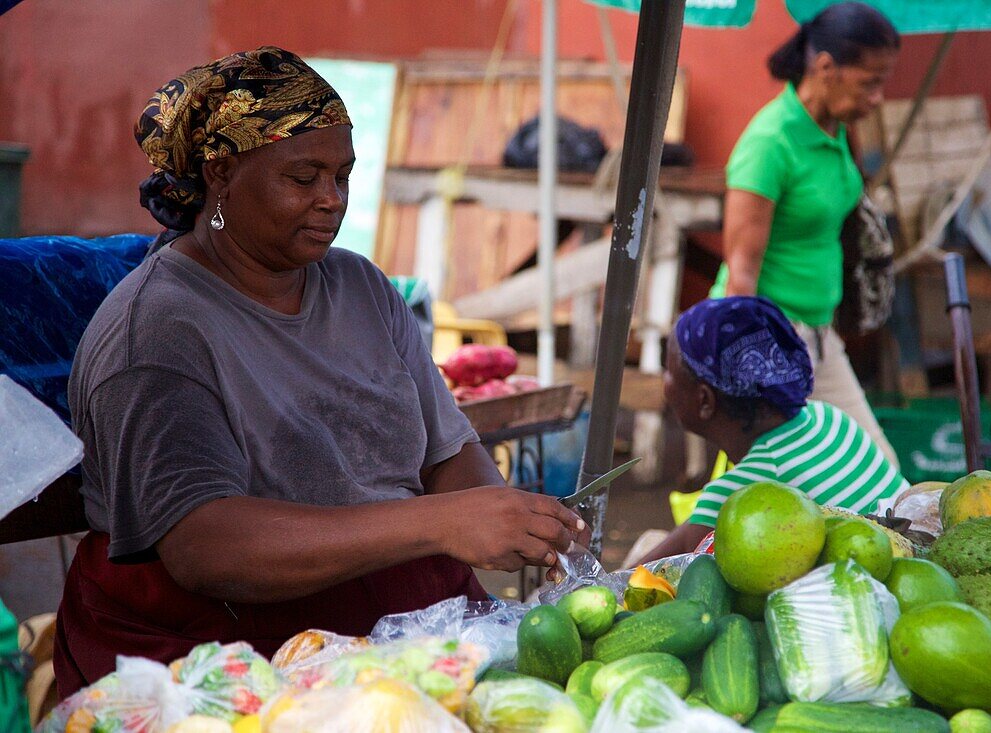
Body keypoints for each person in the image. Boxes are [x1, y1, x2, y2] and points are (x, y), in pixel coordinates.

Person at [54, 47, 586, 696]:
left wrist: (503, 514)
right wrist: (440, 523)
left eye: (343, 175)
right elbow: (205, 547)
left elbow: (447, 452)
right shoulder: (155, 333)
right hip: (217, 658)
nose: (331, 200)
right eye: (304, 177)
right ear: (221, 173)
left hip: (398, 621)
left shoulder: (362, 286)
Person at [711, 2, 901, 466]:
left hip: (818, 337)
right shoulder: (769, 143)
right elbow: (741, 272)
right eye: (870, 82)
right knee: (762, 485)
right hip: (769, 337)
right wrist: (750, 374)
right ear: (825, 68)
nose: (878, 98)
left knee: (879, 472)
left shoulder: (835, 129)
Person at [640, 297, 908, 563]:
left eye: (668, 371)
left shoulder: (740, 496)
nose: (664, 383)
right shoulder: (830, 417)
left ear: (705, 400)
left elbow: (634, 579)